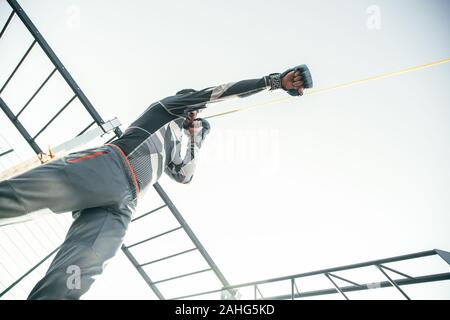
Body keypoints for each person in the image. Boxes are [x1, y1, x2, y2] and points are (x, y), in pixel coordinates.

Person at [0, 65, 312, 299]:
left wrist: (195, 140)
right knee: (18, 198)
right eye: (197, 114)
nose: (198, 120)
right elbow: (218, 93)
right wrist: (273, 82)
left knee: (78, 272)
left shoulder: (181, 141)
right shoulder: (166, 108)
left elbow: (185, 175)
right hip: (109, 165)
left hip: (123, 205)